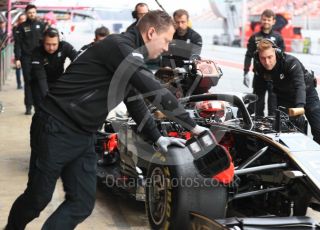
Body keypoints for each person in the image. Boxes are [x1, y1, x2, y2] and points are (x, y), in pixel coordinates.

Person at [5, 10, 207, 230]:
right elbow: (153, 89)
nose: (167, 47)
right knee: (37, 199)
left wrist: (158, 138)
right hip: (56, 126)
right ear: (151, 33)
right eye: (167, 40)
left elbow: (135, 100)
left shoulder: (129, 55)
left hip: (84, 134)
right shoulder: (120, 47)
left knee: (81, 203)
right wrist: (195, 128)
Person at [253, 38, 320, 151]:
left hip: (307, 95)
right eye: (263, 58)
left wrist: (299, 108)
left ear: (276, 52)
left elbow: (300, 86)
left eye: (270, 57)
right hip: (284, 98)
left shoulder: (290, 62)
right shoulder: (259, 66)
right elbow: (258, 92)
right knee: (284, 133)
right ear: (258, 56)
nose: (267, 62)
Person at [243, 9, 285, 116]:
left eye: (269, 20)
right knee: (258, 107)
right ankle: (259, 130)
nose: (266, 22)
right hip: (259, 77)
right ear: (261, 20)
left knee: (273, 108)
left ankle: (272, 131)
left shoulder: (278, 37)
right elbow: (248, 55)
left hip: (274, 78)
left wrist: (283, 75)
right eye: (264, 19)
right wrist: (245, 72)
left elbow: (283, 58)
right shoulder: (254, 37)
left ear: (273, 21)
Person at [30, 27, 77, 111]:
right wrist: (47, 98)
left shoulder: (65, 46)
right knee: (42, 108)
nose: (51, 48)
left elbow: (78, 61)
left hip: (58, 80)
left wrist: (70, 77)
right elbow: (41, 77)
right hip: (39, 82)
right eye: (48, 44)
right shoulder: (37, 51)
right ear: (43, 42)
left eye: (54, 44)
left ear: (59, 42)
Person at [14, 4, 46, 115]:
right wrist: (17, 58)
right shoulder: (21, 27)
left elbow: (45, 42)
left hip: (39, 58)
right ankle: (28, 106)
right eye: (29, 12)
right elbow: (17, 44)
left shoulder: (41, 25)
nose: (31, 14)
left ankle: (40, 105)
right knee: (28, 82)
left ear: (36, 13)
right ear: (26, 13)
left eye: (33, 12)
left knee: (40, 81)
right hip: (26, 58)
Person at [12, 13, 27, 89]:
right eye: (21, 19)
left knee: (26, 69)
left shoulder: (28, 27)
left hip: (27, 52)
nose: (22, 21)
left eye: (24, 19)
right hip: (18, 51)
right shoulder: (16, 28)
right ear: (19, 20)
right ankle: (19, 84)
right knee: (18, 68)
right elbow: (16, 41)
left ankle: (26, 84)